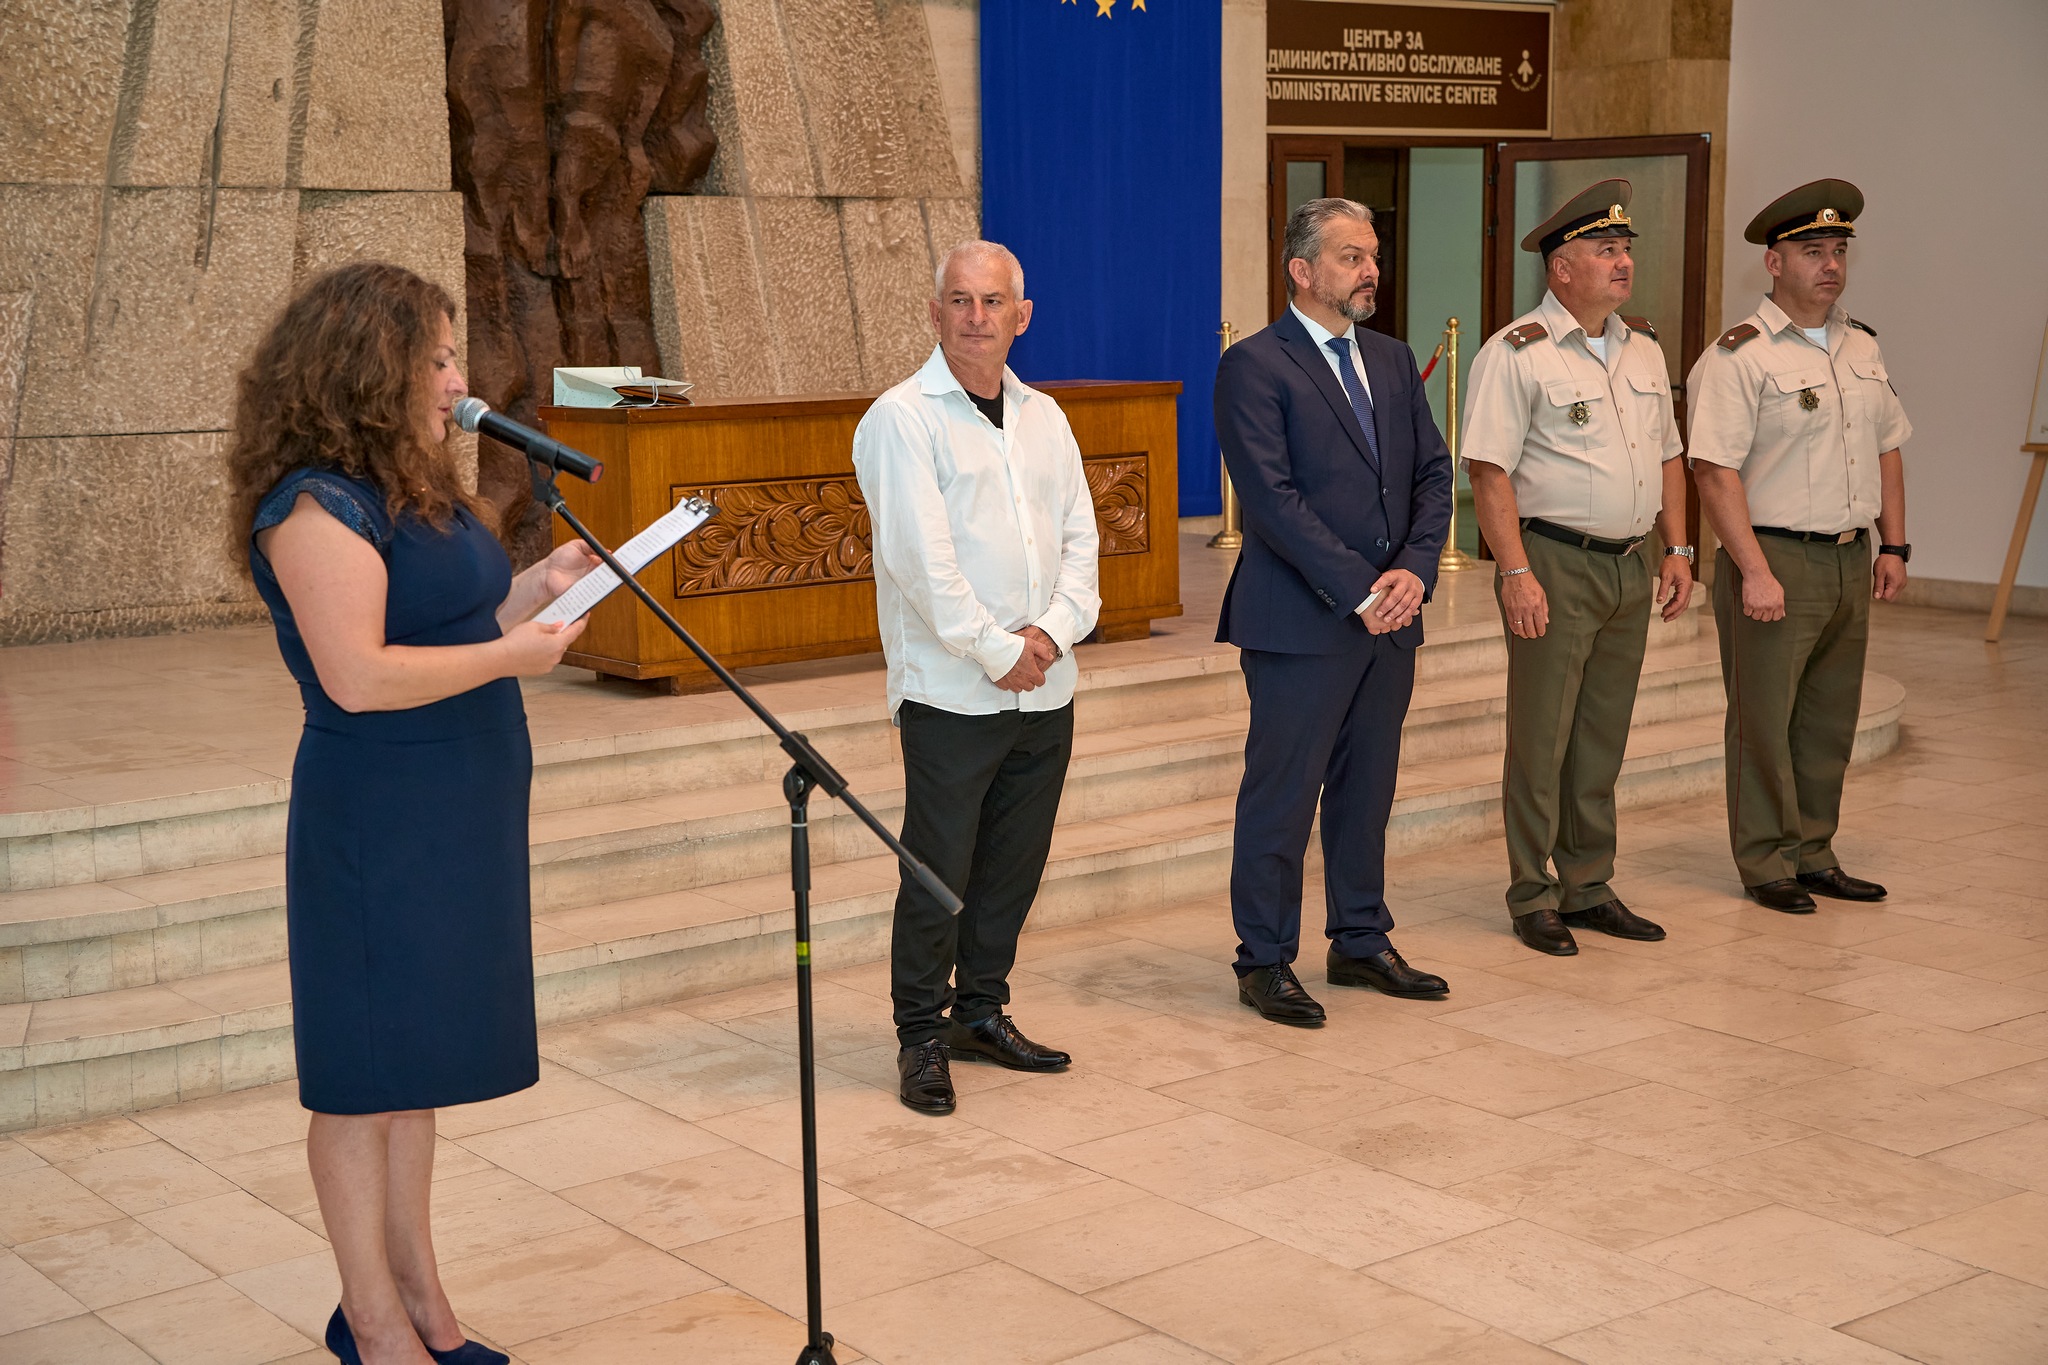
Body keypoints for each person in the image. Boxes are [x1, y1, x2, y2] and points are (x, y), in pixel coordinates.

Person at [226, 262, 599, 1365]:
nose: (455, 377)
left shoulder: (413, 487)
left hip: (462, 795)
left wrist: (539, 591)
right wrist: (511, 656)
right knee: (363, 1075)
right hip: (377, 815)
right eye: (434, 357)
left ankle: (426, 1302)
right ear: (368, 367)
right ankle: (372, 1322)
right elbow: (359, 674)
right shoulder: (312, 505)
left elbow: (455, 619)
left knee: (416, 1067)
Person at [851, 240, 1101, 1115]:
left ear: (1021, 316)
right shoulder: (901, 418)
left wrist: (1054, 631)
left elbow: (1080, 543)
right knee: (939, 870)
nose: (976, 317)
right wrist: (1001, 649)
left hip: (1046, 687)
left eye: (993, 302)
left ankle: (981, 1009)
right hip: (954, 692)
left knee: (1012, 867)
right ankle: (921, 1032)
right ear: (934, 313)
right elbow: (922, 565)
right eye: (959, 300)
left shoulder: (1046, 418)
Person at [1214, 197, 1456, 1026]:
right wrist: (1363, 589)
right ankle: (1266, 959)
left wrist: (1415, 573)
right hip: (1301, 623)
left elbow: (1432, 474)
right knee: (1282, 796)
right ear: (1303, 269)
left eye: (1374, 256)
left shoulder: (1391, 359)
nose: (1371, 272)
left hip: (1393, 618)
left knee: (1367, 790)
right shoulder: (1255, 365)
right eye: (1353, 257)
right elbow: (1272, 502)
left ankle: (1359, 938)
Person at [1462, 179, 1695, 956]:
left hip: (1631, 565)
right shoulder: (1516, 351)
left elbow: (1669, 456)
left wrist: (1678, 548)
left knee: (1601, 734)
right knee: (1542, 736)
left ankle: (1589, 883)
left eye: (1626, 249)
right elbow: (1490, 473)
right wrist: (1513, 571)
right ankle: (1533, 891)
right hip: (1554, 564)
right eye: (1606, 249)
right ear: (1562, 268)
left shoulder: (1645, 348)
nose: (1623, 262)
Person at [1687, 180, 1910, 913]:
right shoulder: (1737, 356)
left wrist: (1893, 544)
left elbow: (1888, 449)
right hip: (1775, 555)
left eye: (1839, 250)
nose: (1830, 264)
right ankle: (1766, 861)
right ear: (1774, 263)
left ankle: (1815, 850)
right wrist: (1752, 569)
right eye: (1813, 251)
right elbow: (1714, 473)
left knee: (1827, 717)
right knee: (1763, 718)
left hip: (1850, 556)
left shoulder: (1863, 345)